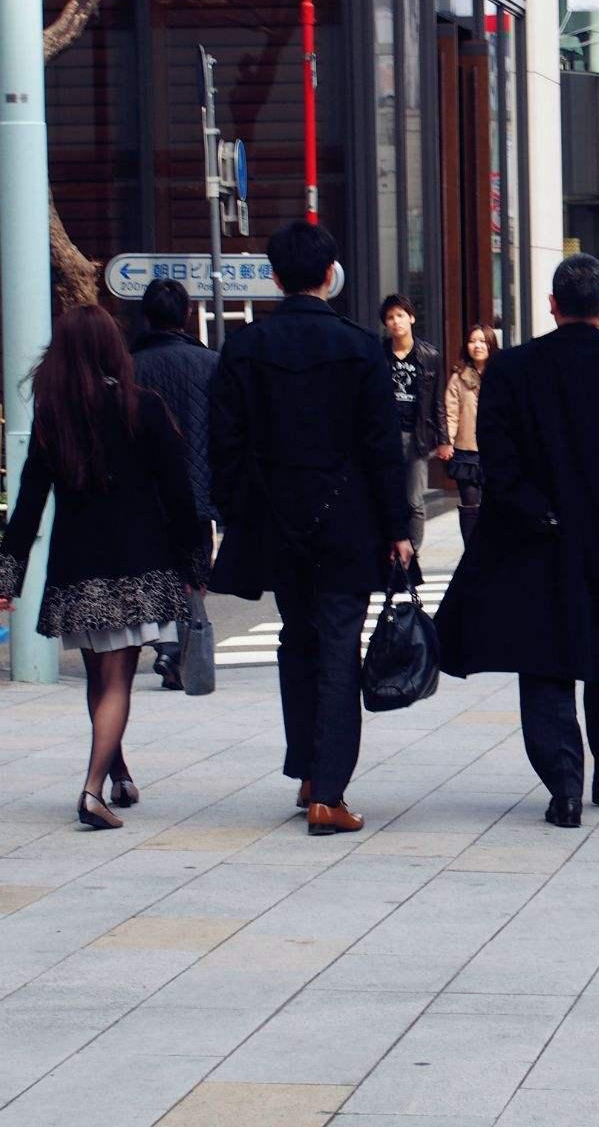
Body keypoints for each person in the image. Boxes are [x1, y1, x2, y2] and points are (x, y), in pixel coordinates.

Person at [435, 254, 599, 829]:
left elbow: (497, 460)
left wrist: (533, 508)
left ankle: (564, 786)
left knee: (545, 659)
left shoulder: (513, 370)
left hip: (537, 537)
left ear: (552, 306)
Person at [211, 221, 410, 836]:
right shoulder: (358, 347)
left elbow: (224, 444)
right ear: (330, 275)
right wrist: (397, 525)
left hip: (275, 521)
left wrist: (235, 512)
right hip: (347, 521)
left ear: (274, 276)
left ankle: (306, 771)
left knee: (295, 637)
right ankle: (329, 791)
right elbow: (381, 447)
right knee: (336, 645)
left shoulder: (245, 348)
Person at [0, 307, 208, 830]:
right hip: (138, 566)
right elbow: (179, 494)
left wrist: (8, 579)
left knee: (100, 671)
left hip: (77, 571)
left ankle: (118, 773)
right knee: (118, 680)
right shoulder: (144, 408)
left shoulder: (54, 418)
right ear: (112, 348)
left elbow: (26, 507)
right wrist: (194, 563)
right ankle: (93, 790)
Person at [131, 278, 219, 692]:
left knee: (153, 571)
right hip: (197, 489)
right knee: (193, 570)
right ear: (186, 316)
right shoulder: (210, 364)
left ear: (146, 317)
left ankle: (167, 647)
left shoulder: (128, 367)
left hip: (145, 492)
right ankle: (184, 648)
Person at [381, 294, 447, 560]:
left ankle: (413, 553)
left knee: (413, 500)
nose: (395, 321)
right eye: (389, 317)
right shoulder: (379, 353)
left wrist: (444, 439)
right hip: (387, 435)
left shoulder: (430, 356)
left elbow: (437, 401)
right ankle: (391, 548)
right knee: (388, 495)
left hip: (418, 435)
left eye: (400, 315)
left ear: (411, 318)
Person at [443, 323, 498, 543]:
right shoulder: (458, 378)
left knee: (494, 505)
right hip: (466, 451)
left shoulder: (501, 374)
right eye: (472, 341)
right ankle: (471, 553)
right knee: (470, 507)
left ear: (491, 344)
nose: (477, 346)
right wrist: (447, 441)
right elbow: (451, 413)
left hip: (495, 450)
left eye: (482, 341)